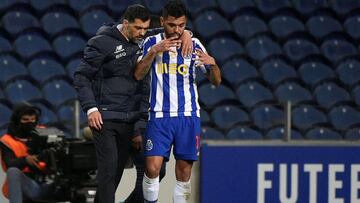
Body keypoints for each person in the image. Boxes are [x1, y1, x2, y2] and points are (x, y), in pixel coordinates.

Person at [73, 4, 193, 203]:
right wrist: (91, 108)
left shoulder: (143, 38)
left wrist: (187, 33)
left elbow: (173, 29)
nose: (142, 33)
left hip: (132, 118)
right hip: (106, 117)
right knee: (110, 170)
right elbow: (81, 76)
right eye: (138, 28)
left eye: (146, 29)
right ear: (126, 23)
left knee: (147, 171)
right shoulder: (101, 43)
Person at [134, 1, 222, 202]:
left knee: (184, 173)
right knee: (152, 168)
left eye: (181, 25)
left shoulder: (194, 44)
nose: (177, 30)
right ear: (162, 21)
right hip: (159, 115)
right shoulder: (151, 43)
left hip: (188, 116)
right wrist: (155, 51)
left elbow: (216, 82)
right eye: (172, 25)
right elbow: (138, 75)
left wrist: (213, 64)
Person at [0, 102, 53, 203]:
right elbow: (9, 164)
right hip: (27, 183)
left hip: (47, 181)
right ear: (17, 121)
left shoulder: (45, 134)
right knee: (13, 171)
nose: (30, 123)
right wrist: (26, 160)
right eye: (25, 120)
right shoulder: (7, 140)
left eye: (33, 120)